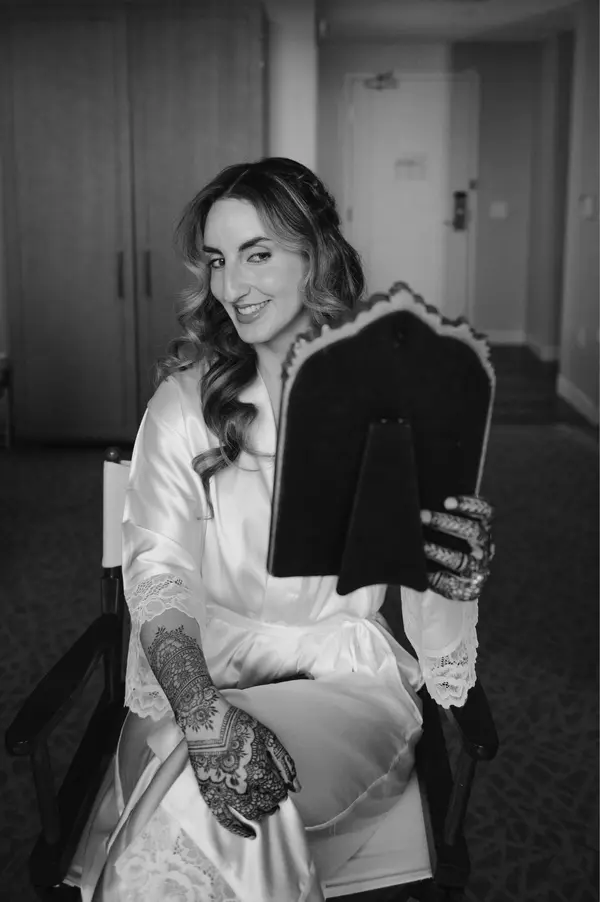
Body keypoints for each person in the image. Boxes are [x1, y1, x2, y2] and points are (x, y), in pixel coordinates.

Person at [76, 157, 494, 902]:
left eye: (257, 254)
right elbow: (159, 570)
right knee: (202, 780)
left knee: (204, 800)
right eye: (217, 259)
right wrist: (203, 713)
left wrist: (454, 573)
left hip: (346, 686)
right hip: (203, 673)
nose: (231, 285)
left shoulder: (397, 409)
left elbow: (432, 621)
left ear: (316, 256)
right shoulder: (184, 405)